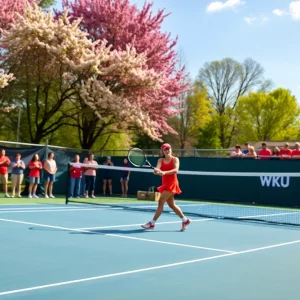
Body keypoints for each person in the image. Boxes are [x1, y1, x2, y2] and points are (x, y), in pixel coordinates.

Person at [141, 143, 191, 232]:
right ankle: (185, 220)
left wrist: (164, 172)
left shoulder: (175, 159)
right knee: (171, 205)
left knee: (161, 202)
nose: (167, 150)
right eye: (165, 149)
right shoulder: (160, 160)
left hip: (172, 184)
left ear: (171, 149)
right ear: (162, 151)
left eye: (168, 149)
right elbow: (157, 169)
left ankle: (152, 223)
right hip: (165, 184)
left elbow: (176, 170)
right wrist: (156, 171)